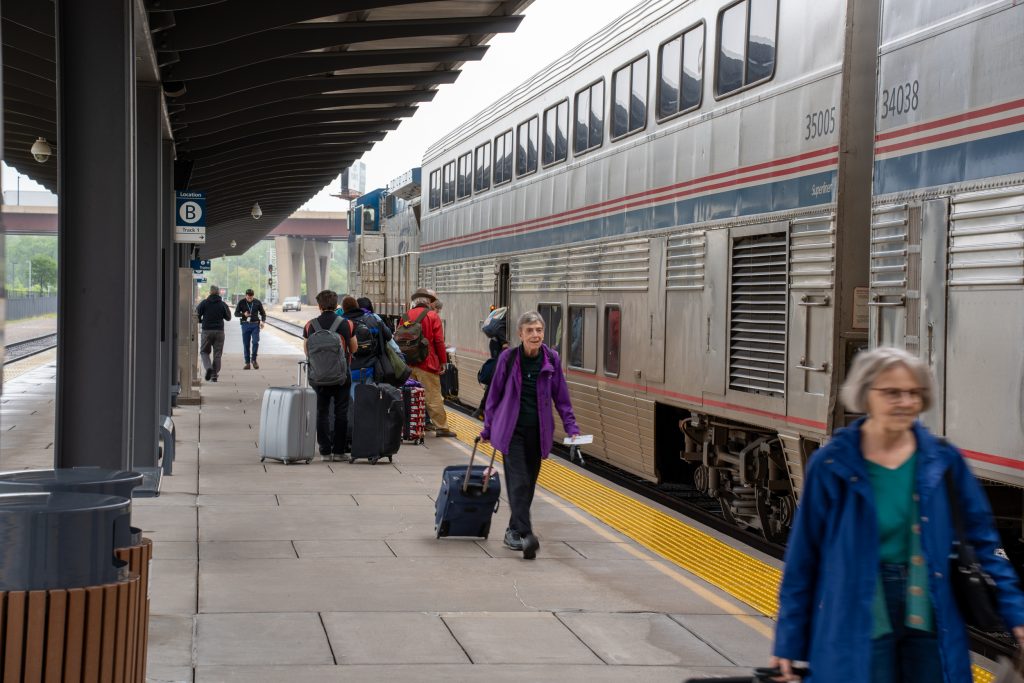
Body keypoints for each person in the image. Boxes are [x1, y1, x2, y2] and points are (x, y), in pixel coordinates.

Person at [771, 347, 1024, 683]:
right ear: (865, 395)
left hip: (931, 617)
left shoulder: (944, 460)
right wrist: (789, 640)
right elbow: (804, 559)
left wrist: (1016, 615)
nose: (904, 401)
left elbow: (984, 544)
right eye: (891, 392)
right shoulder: (832, 463)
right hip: (857, 618)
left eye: (913, 393)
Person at [479, 311, 580, 560]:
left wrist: (572, 430)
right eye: (530, 331)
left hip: (539, 432)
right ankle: (526, 534)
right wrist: (488, 428)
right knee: (519, 482)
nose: (535, 335)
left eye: (539, 330)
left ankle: (512, 530)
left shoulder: (551, 359)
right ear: (520, 334)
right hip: (512, 431)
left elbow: (562, 398)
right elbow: (494, 396)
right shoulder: (508, 358)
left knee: (529, 484)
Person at [303, 290, 357, 460]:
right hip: (341, 375)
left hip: (318, 376)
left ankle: (325, 451)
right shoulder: (346, 324)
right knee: (341, 412)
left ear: (319, 306)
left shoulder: (310, 325)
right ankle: (339, 451)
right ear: (336, 305)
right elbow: (353, 348)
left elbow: (306, 350)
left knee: (321, 411)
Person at [400, 288, 457, 438]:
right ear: (428, 302)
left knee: (410, 395)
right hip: (427, 363)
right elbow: (438, 341)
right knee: (433, 397)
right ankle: (442, 428)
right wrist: (443, 361)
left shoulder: (405, 316)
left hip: (409, 363)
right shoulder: (432, 316)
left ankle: (408, 426)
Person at [339, 295, 393, 390]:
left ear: (343, 309)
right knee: (368, 401)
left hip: (349, 370)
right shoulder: (373, 319)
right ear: (357, 306)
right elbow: (388, 336)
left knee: (352, 402)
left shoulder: (340, 324)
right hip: (370, 369)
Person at [474, 306, 509, 420]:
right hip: (498, 346)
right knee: (495, 378)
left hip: (495, 345)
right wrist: (504, 342)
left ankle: (484, 409)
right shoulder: (508, 313)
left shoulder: (504, 312)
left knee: (496, 378)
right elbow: (499, 329)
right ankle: (482, 409)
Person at [196, 284, 231, 383]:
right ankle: (214, 374)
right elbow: (228, 317)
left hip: (206, 331)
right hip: (219, 332)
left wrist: (201, 321)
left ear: (210, 292)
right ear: (219, 292)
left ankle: (209, 368)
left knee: (204, 352)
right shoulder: (222, 304)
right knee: (217, 354)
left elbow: (196, 314)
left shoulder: (204, 303)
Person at [234, 288, 267, 369]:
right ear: (246, 296)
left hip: (255, 325)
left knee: (255, 342)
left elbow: (263, 313)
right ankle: (247, 363)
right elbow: (236, 313)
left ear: (253, 296)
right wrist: (243, 314)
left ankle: (254, 360)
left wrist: (263, 322)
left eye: (251, 297)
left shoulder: (257, 302)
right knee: (246, 344)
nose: (249, 299)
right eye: (248, 297)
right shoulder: (241, 302)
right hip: (245, 325)